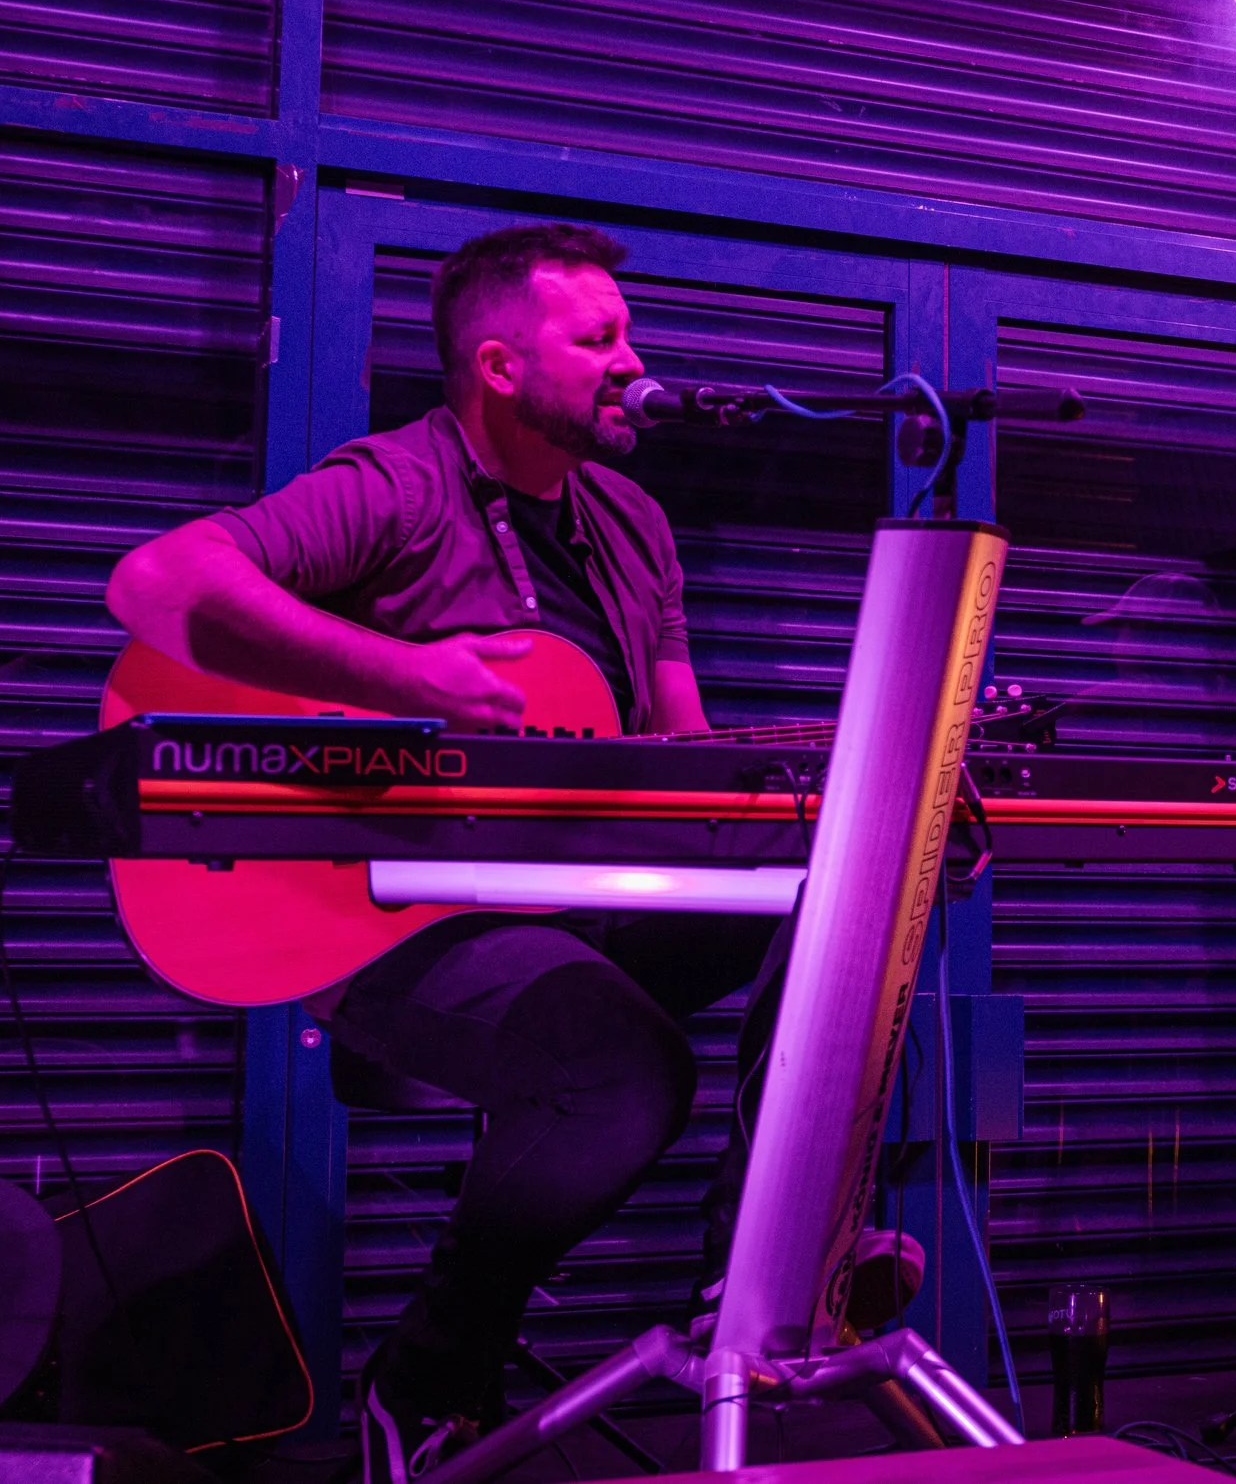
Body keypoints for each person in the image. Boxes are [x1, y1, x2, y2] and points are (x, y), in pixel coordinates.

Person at [105, 223, 907, 1482]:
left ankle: (752, 1269)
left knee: (843, 882)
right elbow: (156, 583)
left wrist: (828, 772)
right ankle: (428, 1375)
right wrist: (403, 672)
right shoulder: (393, 487)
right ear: (496, 366)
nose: (631, 360)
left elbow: (682, 756)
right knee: (626, 1073)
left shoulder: (633, 526)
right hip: (388, 918)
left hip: (576, 889)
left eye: (627, 334)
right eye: (597, 340)